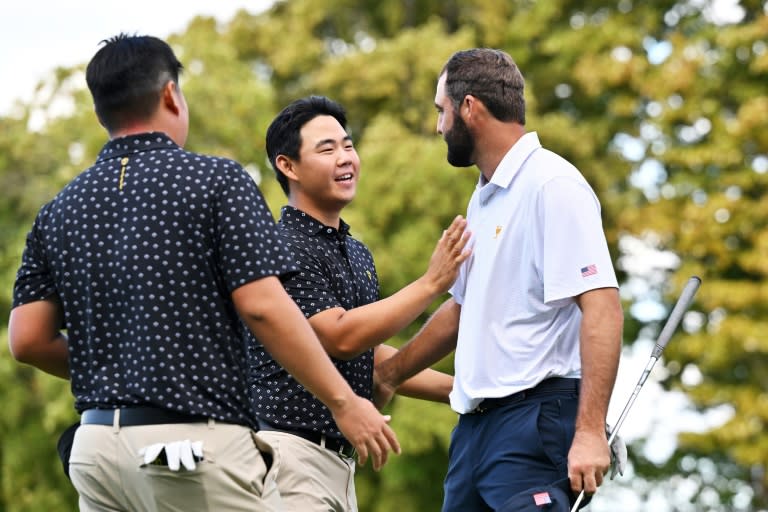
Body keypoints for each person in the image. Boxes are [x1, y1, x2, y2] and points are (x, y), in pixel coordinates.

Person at [8, 34, 399, 512]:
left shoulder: (57, 211)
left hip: (95, 454)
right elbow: (262, 307)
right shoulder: (216, 181)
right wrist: (343, 402)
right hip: (187, 450)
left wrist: (126, 367)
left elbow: (27, 340)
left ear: (99, 113)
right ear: (171, 94)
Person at [374, 48, 624, 511]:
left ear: (469, 108)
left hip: (535, 423)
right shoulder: (484, 199)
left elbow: (602, 306)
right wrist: (390, 373)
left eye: (440, 111)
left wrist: (590, 431)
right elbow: (462, 312)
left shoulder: (553, 185)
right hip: (474, 433)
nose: (438, 126)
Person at [249, 95, 470, 511]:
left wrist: (471, 393)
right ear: (288, 166)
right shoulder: (281, 246)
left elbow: (368, 359)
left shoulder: (356, 252)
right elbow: (339, 337)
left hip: (338, 464)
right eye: (327, 149)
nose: (345, 158)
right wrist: (430, 284)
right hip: (287, 455)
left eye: (348, 145)